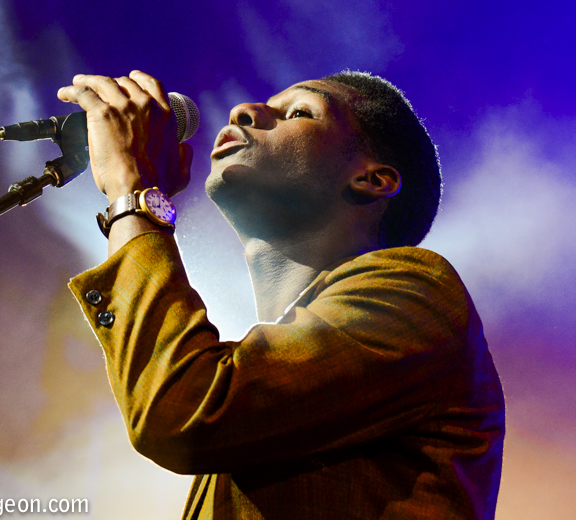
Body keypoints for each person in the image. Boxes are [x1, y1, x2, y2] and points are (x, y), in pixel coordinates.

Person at [56, 69, 505, 520]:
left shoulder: (419, 291)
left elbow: (181, 408)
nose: (243, 111)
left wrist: (133, 192)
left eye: (298, 112)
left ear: (373, 179)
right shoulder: (260, 385)